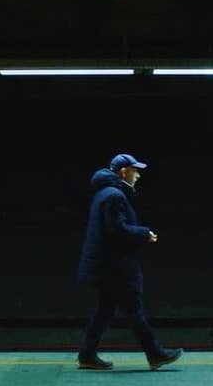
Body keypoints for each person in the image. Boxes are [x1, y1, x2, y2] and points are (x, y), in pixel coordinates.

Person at [75, 153, 183, 371]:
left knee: (105, 311)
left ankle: (87, 354)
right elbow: (117, 230)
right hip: (116, 267)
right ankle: (155, 354)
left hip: (107, 266)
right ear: (124, 172)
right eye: (135, 171)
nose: (138, 175)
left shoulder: (105, 193)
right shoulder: (114, 196)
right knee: (134, 311)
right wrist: (144, 233)